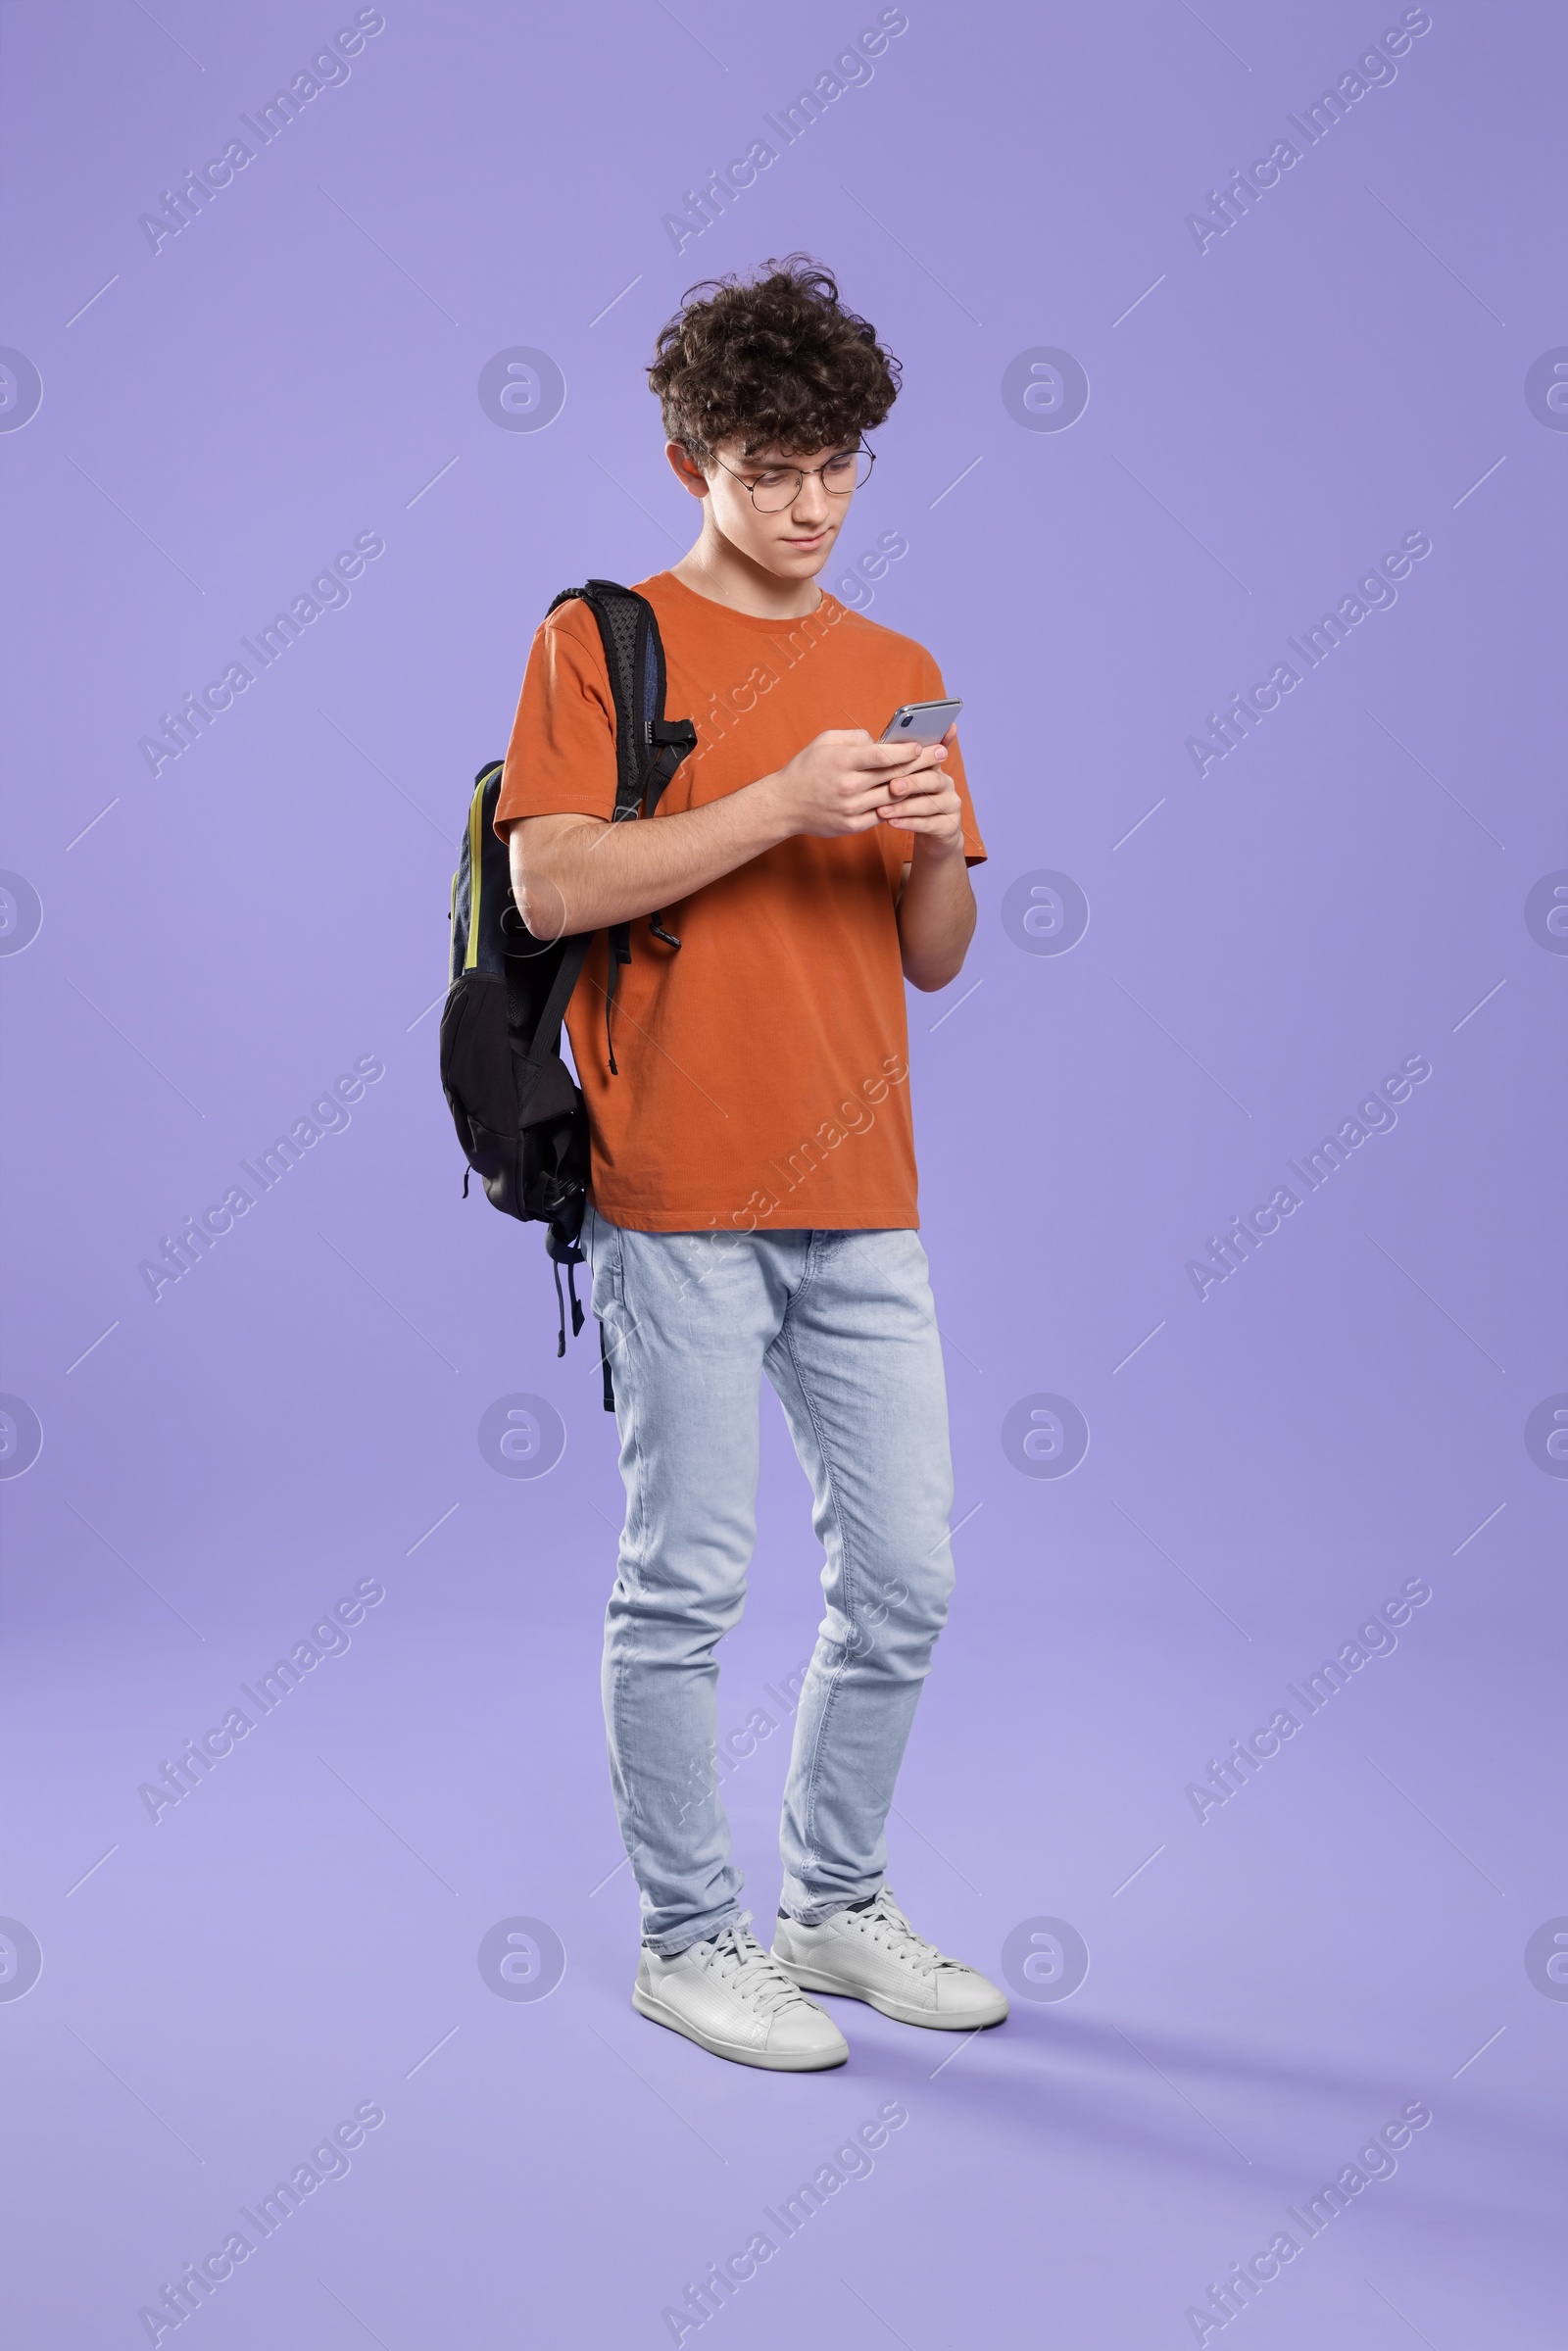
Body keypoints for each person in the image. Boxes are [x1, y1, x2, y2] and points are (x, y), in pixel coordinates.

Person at [496, 255, 1007, 2071]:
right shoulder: (599, 640)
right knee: (685, 1583)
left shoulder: (900, 669)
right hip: (677, 1188)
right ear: (685, 459)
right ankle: (689, 1941)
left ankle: (834, 1907)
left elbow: (931, 952)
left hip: (865, 1191)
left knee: (910, 1576)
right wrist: (778, 802)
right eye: (768, 467)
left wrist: (939, 842)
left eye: (837, 469)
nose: (805, 506)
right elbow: (549, 884)